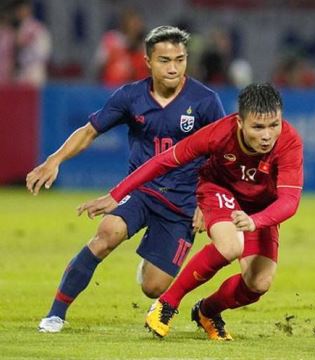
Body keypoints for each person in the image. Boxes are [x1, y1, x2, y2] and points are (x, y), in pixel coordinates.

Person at [26, 25, 226, 333]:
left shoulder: (206, 101)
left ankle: (151, 260)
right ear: (147, 61)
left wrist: (207, 202)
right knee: (108, 231)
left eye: (179, 59)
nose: (173, 67)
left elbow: (222, 154)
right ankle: (55, 315)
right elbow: (90, 131)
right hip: (142, 189)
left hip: (183, 202)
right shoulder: (131, 96)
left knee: (153, 287)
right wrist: (55, 160)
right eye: (164, 60)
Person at [78, 83, 304, 341]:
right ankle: (167, 303)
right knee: (230, 246)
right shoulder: (219, 133)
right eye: (258, 127)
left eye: (274, 125)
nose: (267, 135)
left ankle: (207, 312)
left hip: (260, 209)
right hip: (221, 190)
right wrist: (117, 194)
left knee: (258, 284)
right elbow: (163, 161)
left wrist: (256, 220)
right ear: (240, 122)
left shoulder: (289, 141)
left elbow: (289, 201)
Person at [93, 8, 149, 87]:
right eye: (133, 23)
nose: (136, 27)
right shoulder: (111, 40)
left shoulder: (145, 46)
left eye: (138, 23)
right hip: (111, 89)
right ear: (125, 23)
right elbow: (99, 66)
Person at [9, 0, 52, 86]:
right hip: (22, 70)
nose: (18, 13)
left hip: (34, 68)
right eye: (16, 10)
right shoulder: (20, 26)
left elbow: (45, 51)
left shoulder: (35, 27)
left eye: (20, 9)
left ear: (28, 10)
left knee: (33, 96)